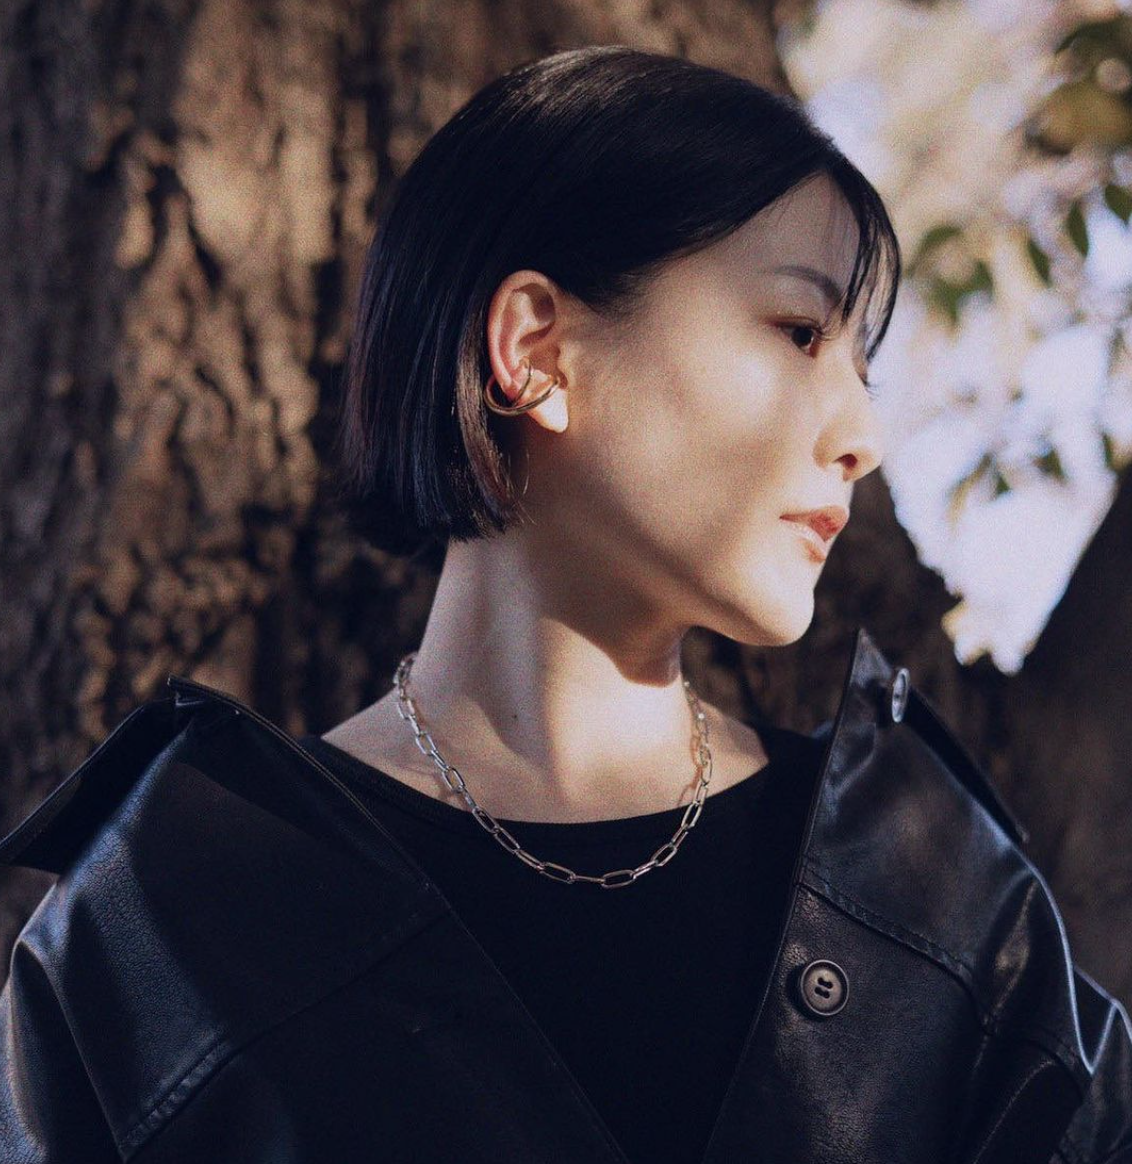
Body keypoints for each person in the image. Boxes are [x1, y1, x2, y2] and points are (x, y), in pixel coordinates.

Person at [1, 44, 1129, 1164]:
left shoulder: (933, 891)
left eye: (863, 368)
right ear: (536, 348)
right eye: (800, 333)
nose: (863, 437)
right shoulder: (164, 920)